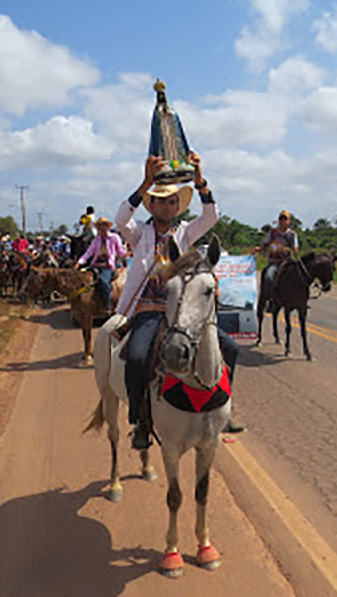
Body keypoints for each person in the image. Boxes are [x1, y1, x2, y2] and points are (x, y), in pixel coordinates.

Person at [115, 151, 241, 450]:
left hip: (183, 312)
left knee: (231, 349)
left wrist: (200, 182)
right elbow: (121, 218)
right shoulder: (139, 233)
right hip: (149, 310)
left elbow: (211, 216)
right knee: (135, 358)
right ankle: (141, 420)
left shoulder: (186, 232)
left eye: (173, 202)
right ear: (153, 204)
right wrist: (145, 182)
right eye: (162, 201)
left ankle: (224, 408)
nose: (168, 206)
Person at [73, 217, 126, 311]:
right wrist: (79, 262)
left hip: (107, 265)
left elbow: (120, 250)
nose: (101, 228)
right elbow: (89, 253)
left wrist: (127, 254)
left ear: (107, 227)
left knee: (104, 282)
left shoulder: (114, 237)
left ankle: (107, 304)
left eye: (103, 226)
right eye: (100, 226)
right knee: (81, 279)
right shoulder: (96, 239)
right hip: (95, 264)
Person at [253, 210, 299, 310]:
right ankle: (270, 300)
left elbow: (295, 247)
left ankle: (298, 300)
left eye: (285, 219)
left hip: (287, 262)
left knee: (298, 276)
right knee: (269, 276)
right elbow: (265, 244)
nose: (283, 221)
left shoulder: (292, 234)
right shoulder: (273, 232)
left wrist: (295, 250)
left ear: (289, 221)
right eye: (281, 218)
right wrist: (259, 249)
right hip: (274, 261)